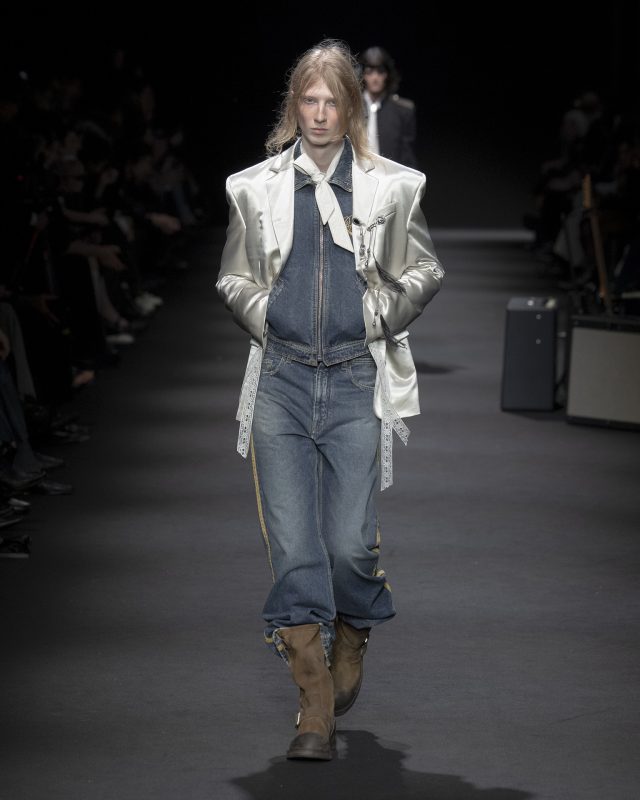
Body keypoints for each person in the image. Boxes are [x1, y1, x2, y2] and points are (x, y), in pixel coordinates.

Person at [216, 38, 444, 762]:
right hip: (280, 383)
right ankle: (313, 701)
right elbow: (232, 279)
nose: (318, 114)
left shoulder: (392, 187)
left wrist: (375, 319)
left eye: (331, 102)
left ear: (351, 108)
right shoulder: (252, 187)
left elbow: (426, 269)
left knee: (349, 546)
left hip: (352, 381)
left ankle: (354, 628)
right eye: (307, 101)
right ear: (296, 107)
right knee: (294, 552)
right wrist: (268, 317)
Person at [359, 45, 418, 168]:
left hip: (390, 179)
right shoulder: (351, 109)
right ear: (363, 75)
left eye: (380, 71)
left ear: (387, 74)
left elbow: (406, 157)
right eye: (369, 71)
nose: (375, 77)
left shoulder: (403, 111)